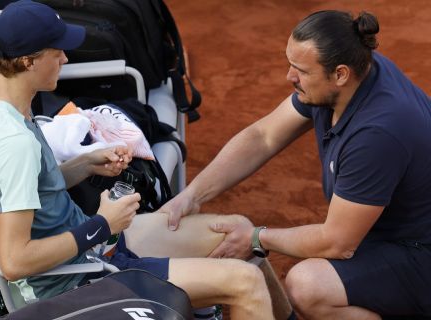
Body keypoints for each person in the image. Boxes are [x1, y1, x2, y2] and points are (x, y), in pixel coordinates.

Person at [0, 1, 296, 319]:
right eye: (56, 52)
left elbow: (32, 188)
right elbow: (14, 261)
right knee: (246, 282)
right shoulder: (15, 145)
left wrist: (86, 163)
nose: (65, 58)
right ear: (27, 62)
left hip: (89, 248)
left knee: (237, 234)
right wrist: (102, 226)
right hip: (78, 279)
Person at [160, 9, 431, 320]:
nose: (289, 77)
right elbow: (263, 137)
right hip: (392, 231)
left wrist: (256, 238)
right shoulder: (344, 77)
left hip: (420, 251)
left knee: (309, 286)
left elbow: (337, 243)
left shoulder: (378, 133)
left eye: (300, 70)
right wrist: (191, 195)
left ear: (340, 74)